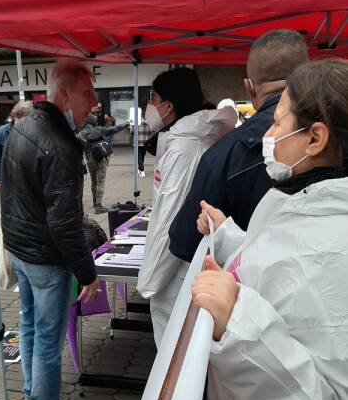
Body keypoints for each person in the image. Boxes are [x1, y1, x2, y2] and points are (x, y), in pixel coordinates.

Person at [185, 59, 348, 400]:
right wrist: (227, 236)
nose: (268, 135)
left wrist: (238, 322)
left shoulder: (336, 245)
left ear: (315, 139)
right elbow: (273, 266)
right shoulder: (299, 199)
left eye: (278, 122)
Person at [0, 59, 99, 400]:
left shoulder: (23, 126)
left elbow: (12, 192)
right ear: (66, 94)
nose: (94, 102)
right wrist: (87, 273)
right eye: (87, 93)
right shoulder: (58, 145)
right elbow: (64, 222)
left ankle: (32, 394)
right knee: (47, 334)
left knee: (29, 324)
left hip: (22, 250)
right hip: (44, 256)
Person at [169, 29, 309, 263]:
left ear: (249, 87)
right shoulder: (334, 140)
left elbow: (183, 243)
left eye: (279, 124)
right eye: (274, 124)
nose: (272, 134)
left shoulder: (226, 154)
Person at [136, 68, 237, 347]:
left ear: (169, 105)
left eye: (153, 98)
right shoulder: (196, 137)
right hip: (189, 259)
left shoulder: (184, 147)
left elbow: (169, 217)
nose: (149, 106)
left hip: (176, 267)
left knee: (174, 344)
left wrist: (150, 281)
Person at [77, 112, 129, 214]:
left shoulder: (82, 133)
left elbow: (76, 144)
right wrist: (125, 124)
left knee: (93, 181)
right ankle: (99, 206)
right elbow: (114, 129)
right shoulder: (99, 129)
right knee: (101, 181)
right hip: (101, 159)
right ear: (94, 121)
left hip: (89, 159)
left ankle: (95, 202)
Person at [0, 100, 33, 191]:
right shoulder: (0, 133)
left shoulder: (35, 131)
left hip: (30, 180)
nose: (21, 125)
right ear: (14, 117)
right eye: (18, 121)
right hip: (9, 180)